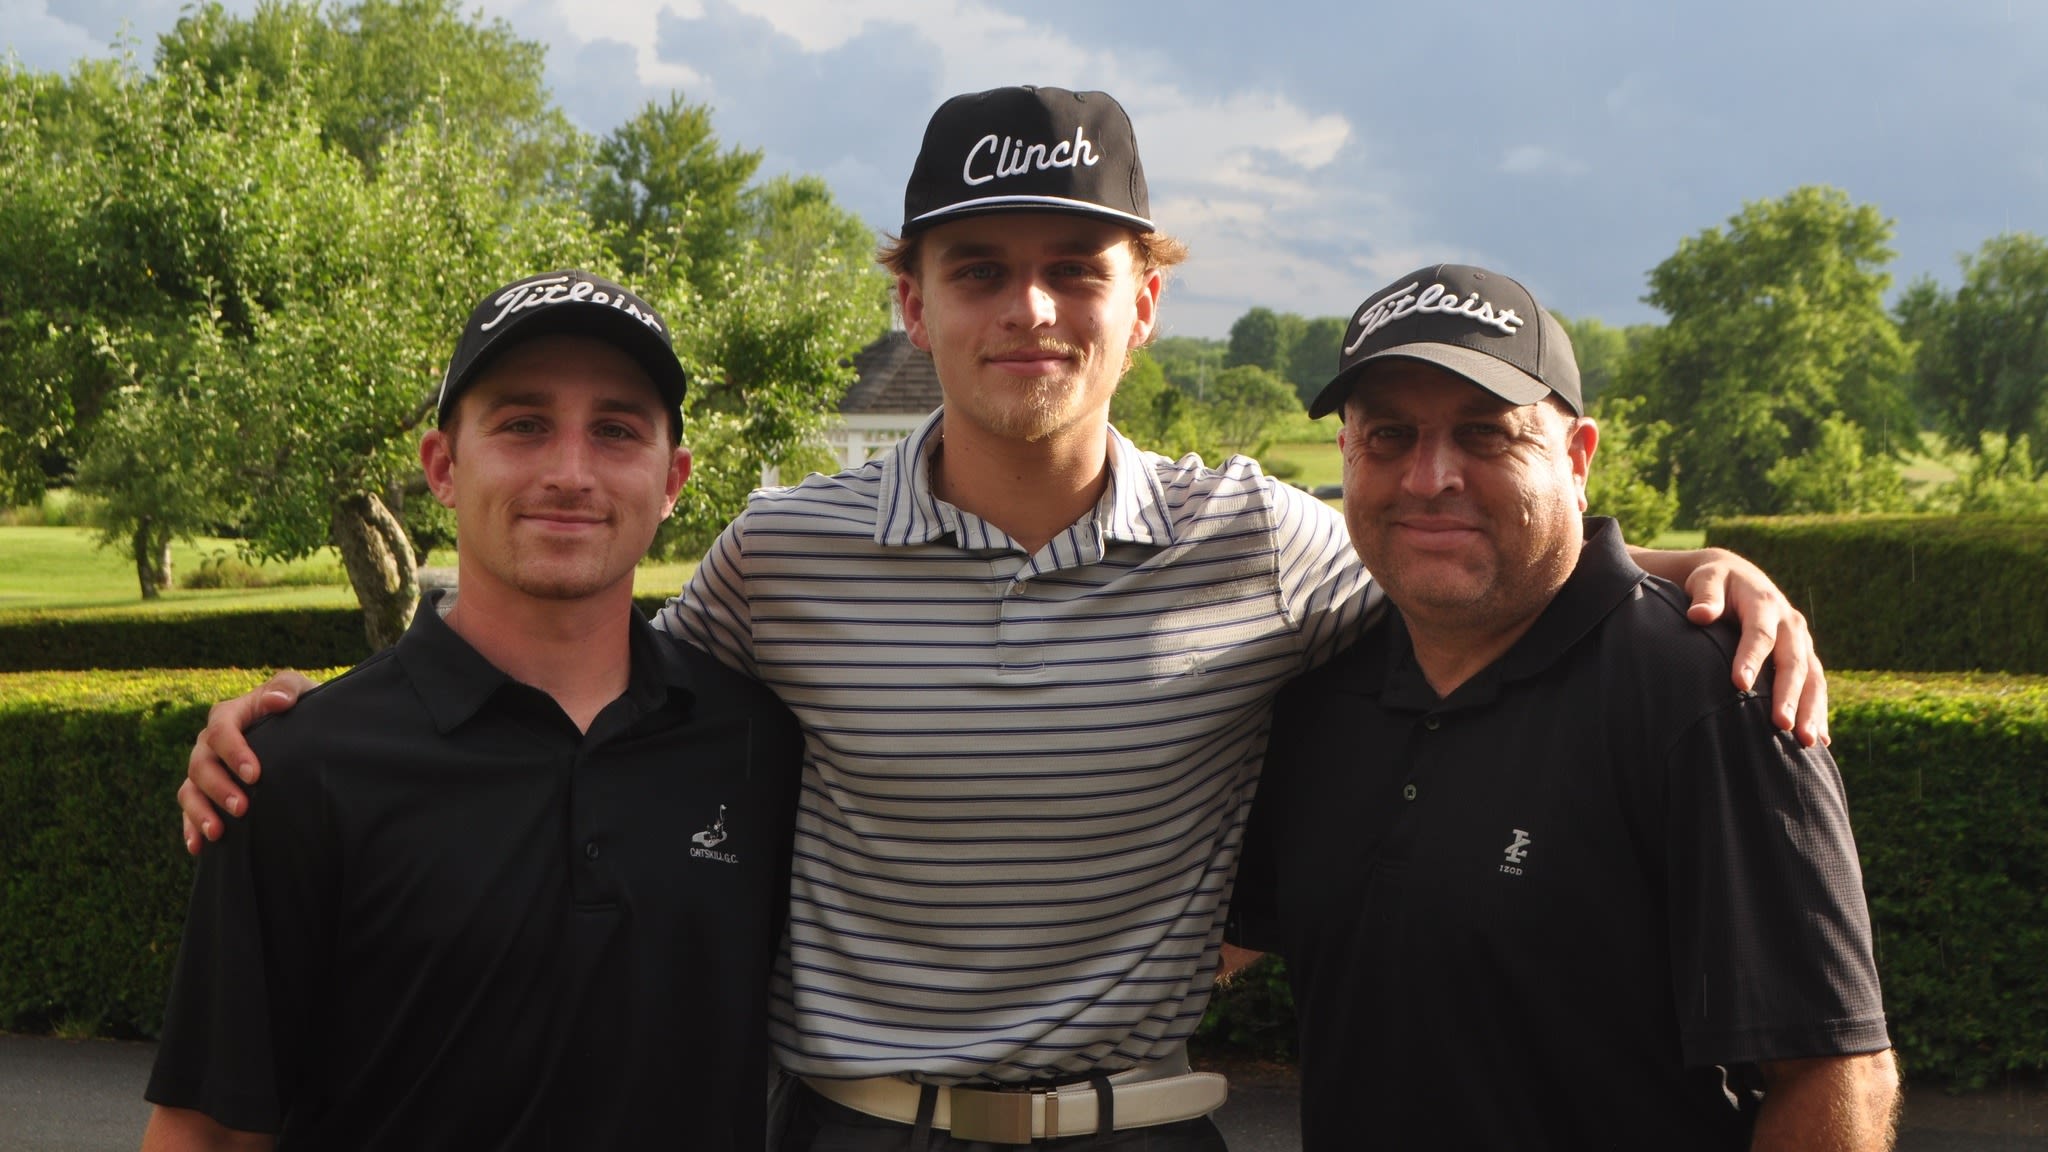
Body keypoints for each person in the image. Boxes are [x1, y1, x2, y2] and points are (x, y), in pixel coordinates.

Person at [182, 89, 1829, 1150]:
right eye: (976, 268)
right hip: (852, 1128)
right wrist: (322, 722)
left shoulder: (1264, 541)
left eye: (1073, 267)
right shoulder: (785, 553)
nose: (1026, 309)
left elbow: (1475, 573)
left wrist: (1683, 577)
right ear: (909, 298)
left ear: (1142, 303)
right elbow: (574, 695)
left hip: (1145, 1126)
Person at [1229, 264, 1897, 1151]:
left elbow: (1833, 1073)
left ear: (1578, 458)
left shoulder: (1708, 693)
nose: (1430, 478)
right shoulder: (1321, 693)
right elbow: (1215, 950)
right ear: (1348, 453)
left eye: (1485, 435)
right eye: (1389, 435)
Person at [142, 271, 804, 1151]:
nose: (570, 473)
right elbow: (208, 1135)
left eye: (616, 430)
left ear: (673, 479)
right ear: (444, 467)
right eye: (524, 424)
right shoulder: (300, 769)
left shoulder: (757, 744)